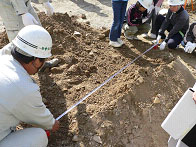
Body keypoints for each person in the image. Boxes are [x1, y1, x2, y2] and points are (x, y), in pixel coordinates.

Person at [0, 25, 59, 147]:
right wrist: (53, 123)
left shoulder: (3, 59)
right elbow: (48, 123)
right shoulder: (25, 88)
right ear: (37, 60)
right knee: (39, 136)